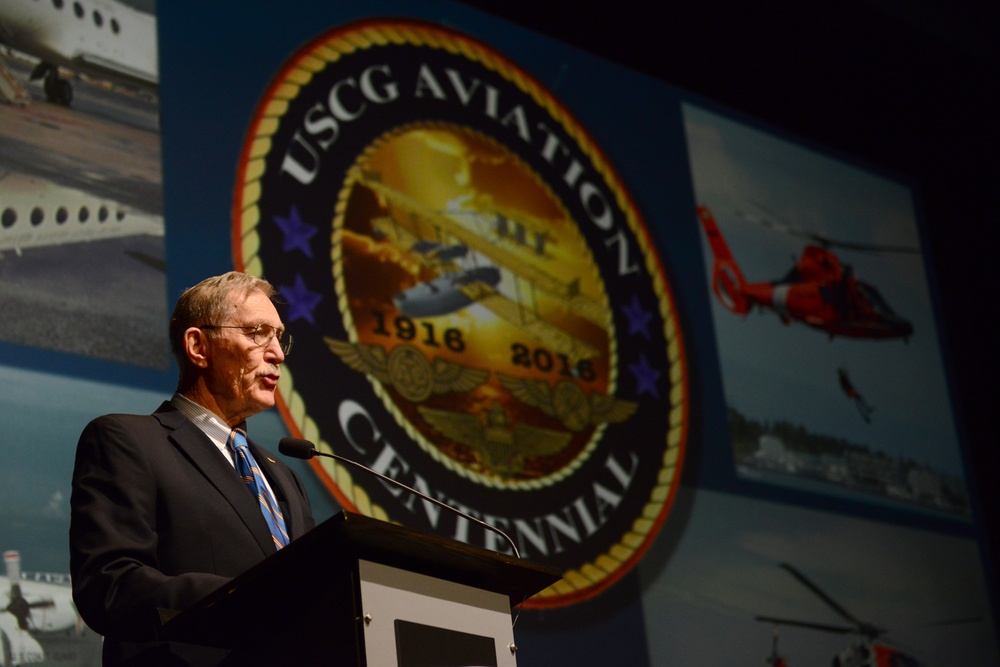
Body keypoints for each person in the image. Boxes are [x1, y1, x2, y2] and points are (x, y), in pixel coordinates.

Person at [70, 272, 316, 666]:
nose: (277, 353)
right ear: (198, 346)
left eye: (279, 336)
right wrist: (243, 600)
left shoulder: (282, 477)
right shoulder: (129, 440)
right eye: (257, 333)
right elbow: (110, 583)